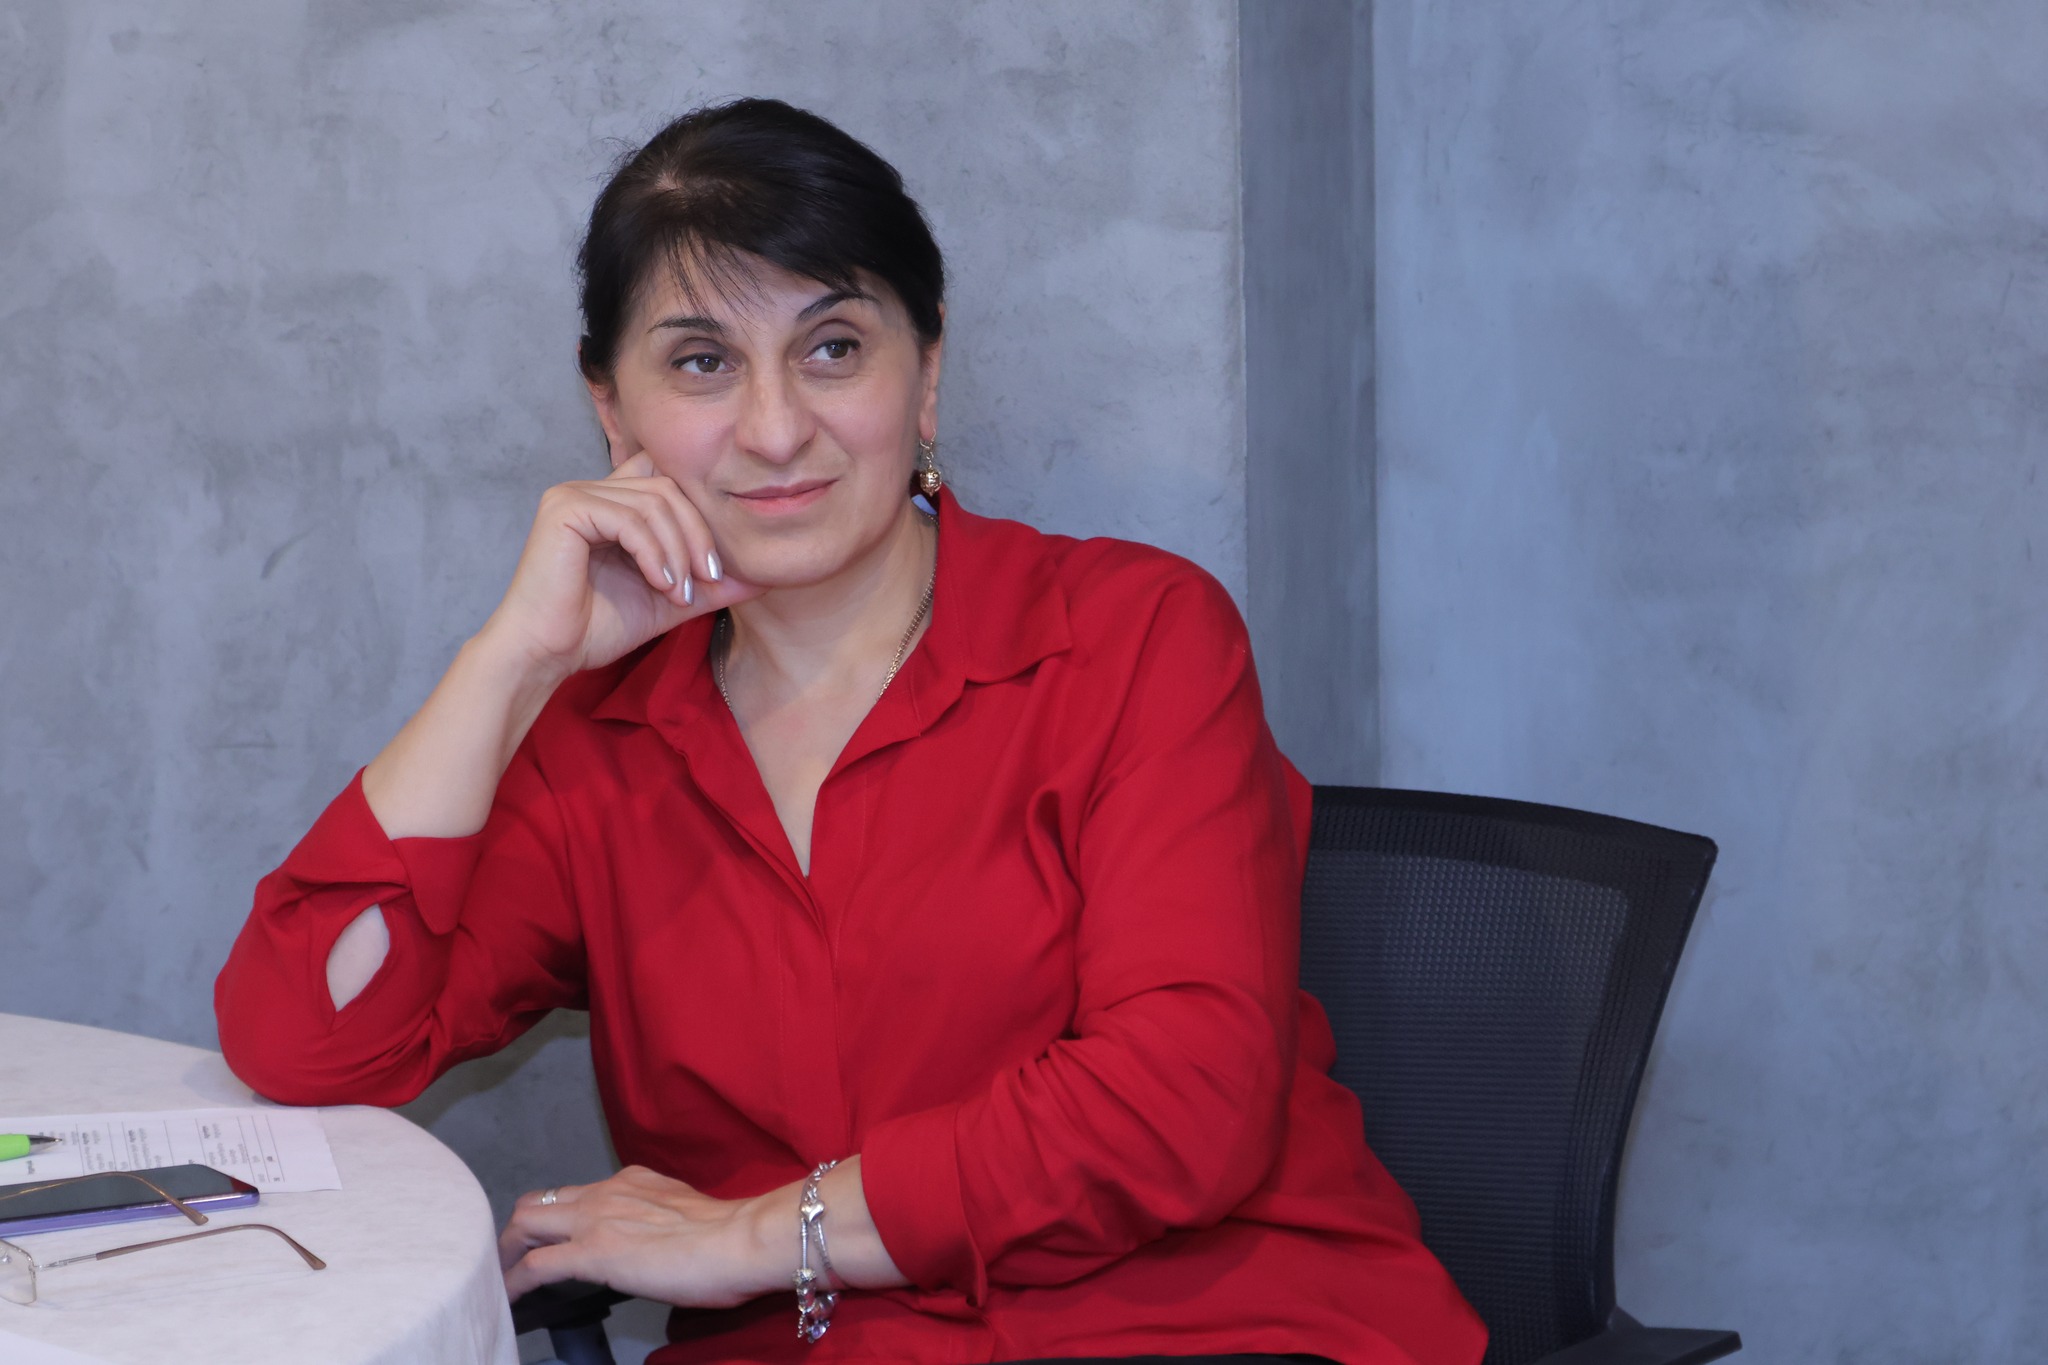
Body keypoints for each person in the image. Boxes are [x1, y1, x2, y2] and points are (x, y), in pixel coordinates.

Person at [213, 98, 1486, 1365]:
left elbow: (1182, 1098)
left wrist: (764, 1235)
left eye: (831, 349)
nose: (775, 430)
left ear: (925, 376)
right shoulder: (599, 736)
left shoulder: (1133, 638)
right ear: (613, 414)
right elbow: (312, 1038)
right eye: (701, 363)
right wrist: (508, 665)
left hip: (1204, 1331)